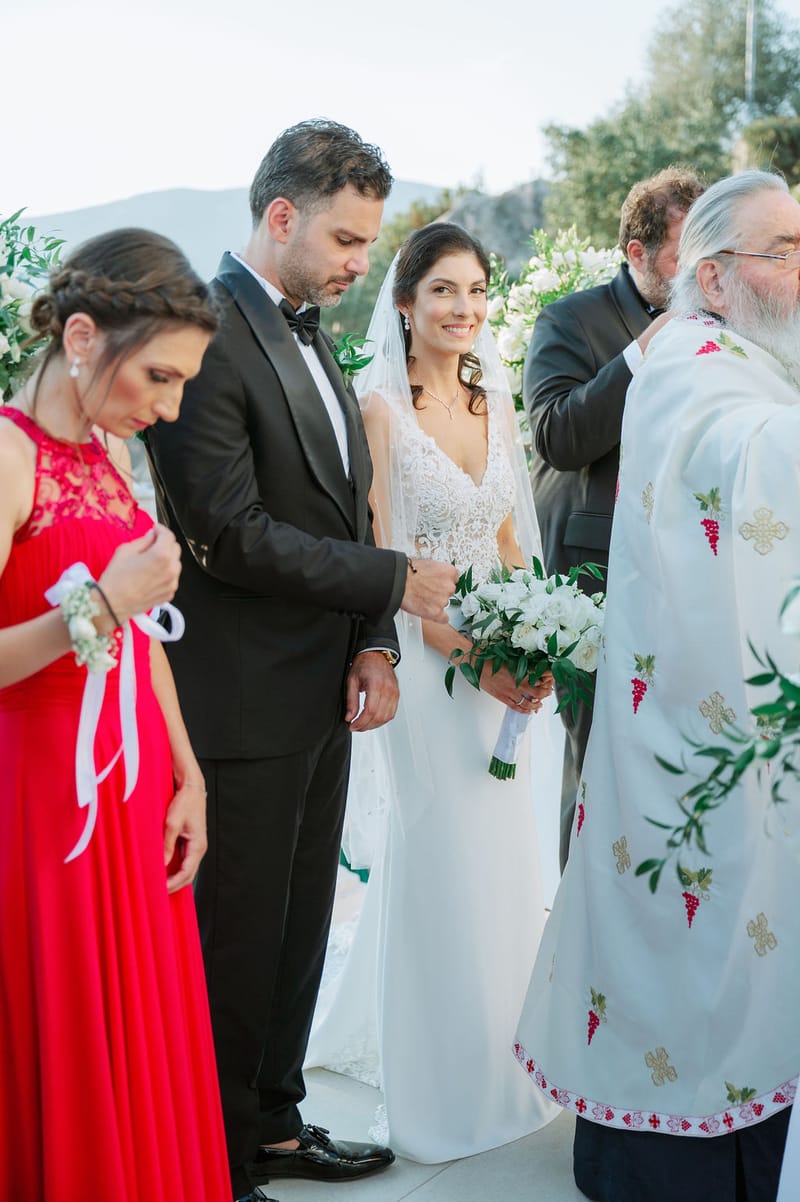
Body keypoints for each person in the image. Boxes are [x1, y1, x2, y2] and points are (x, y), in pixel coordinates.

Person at [145, 120, 457, 1200]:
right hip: (235, 699)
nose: (358, 264)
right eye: (344, 238)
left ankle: (274, 1124)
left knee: (299, 931)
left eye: (369, 243)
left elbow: (344, 501)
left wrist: (371, 641)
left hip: (319, 688)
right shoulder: (207, 332)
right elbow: (227, 529)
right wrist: (387, 586)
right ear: (279, 216)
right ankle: (216, 1156)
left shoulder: (308, 326)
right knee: (234, 944)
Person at [515, 170, 800, 1202]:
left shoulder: (751, 355)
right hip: (687, 720)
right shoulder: (682, 353)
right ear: (711, 276)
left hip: (733, 706)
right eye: (783, 250)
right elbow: (731, 460)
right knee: (695, 931)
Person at [306, 222, 561, 1161]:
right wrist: (463, 651)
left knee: (505, 859)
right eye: (444, 291)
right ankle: (440, 1087)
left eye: (479, 292)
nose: (465, 310)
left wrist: (531, 647)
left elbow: (505, 544)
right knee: (442, 855)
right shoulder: (379, 410)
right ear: (405, 303)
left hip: (501, 660)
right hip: (421, 658)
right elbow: (384, 553)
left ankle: (505, 1055)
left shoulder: (499, 400)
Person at [0, 229, 237, 1202]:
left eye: (182, 382)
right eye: (159, 375)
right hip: (45, 803)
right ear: (85, 335)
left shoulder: (108, 453)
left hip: (135, 798)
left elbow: (143, 639)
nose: (170, 405)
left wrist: (189, 774)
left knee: (142, 1039)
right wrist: (97, 603)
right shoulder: (8, 454)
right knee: (69, 1044)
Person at [524, 167, 705, 869]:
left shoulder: (723, 325)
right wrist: (642, 352)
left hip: (689, 573)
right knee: (599, 764)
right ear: (636, 253)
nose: (699, 272)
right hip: (595, 578)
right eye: (682, 256)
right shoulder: (571, 320)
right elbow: (557, 436)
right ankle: (584, 930)